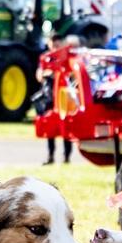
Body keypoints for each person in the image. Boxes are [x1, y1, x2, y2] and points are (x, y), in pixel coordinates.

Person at [39, 33, 72, 165]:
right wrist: (49, 73)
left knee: (66, 127)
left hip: (63, 96)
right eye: (53, 43)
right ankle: (50, 155)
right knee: (50, 128)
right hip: (49, 96)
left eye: (58, 43)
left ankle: (66, 157)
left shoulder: (67, 58)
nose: (55, 46)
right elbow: (39, 75)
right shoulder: (45, 58)